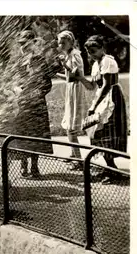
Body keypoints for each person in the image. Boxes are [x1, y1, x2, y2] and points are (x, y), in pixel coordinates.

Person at [74, 35, 128, 184]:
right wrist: (79, 77)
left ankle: (112, 171)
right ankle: (110, 168)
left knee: (107, 133)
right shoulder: (96, 64)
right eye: (89, 52)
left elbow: (106, 86)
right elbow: (92, 86)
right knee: (99, 134)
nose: (91, 54)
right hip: (102, 99)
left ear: (102, 48)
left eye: (94, 50)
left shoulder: (108, 61)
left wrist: (93, 106)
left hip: (112, 99)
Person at [8, 30, 57, 178]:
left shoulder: (40, 60)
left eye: (25, 43)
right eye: (20, 44)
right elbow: (11, 81)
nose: (22, 47)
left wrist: (39, 93)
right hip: (22, 103)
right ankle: (23, 166)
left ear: (32, 42)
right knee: (23, 134)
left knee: (37, 135)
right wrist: (15, 89)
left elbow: (47, 83)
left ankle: (35, 167)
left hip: (37, 104)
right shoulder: (17, 62)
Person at [55, 30, 86, 171]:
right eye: (59, 42)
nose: (60, 44)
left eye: (63, 42)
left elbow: (76, 75)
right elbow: (68, 78)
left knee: (71, 128)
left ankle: (79, 160)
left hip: (75, 90)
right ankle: (74, 154)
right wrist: (55, 74)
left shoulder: (75, 55)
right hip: (71, 89)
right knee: (69, 125)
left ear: (71, 42)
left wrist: (64, 65)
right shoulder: (68, 55)